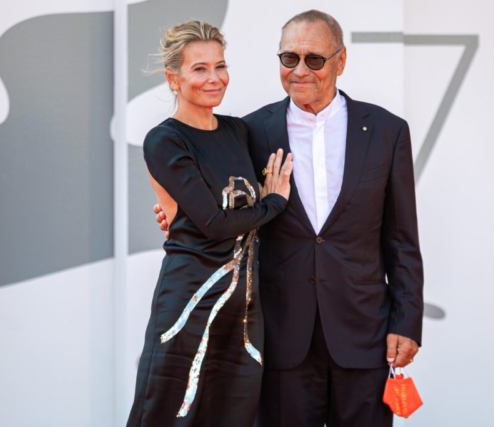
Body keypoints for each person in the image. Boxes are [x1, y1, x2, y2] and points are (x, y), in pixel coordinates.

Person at [156, 9, 423, 427]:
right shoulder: (249, 132)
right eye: (289, 58)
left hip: (365, 334)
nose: (300, 70)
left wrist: (406, 321)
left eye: (314, 59)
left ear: (340, 60)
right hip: (279, 337)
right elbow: (219, 205)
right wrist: (173, 213)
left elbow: (402, 238)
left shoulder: (387, 131)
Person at [127, 20, 293, 427]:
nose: (214, 78)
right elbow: (215, 223)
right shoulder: (165, 140)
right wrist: (274, 202)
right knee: (171, 416)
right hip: (189, 307)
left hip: (243, 315)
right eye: (199, 68)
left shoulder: (238, 131)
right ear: (174, 78)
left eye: (220, 66)